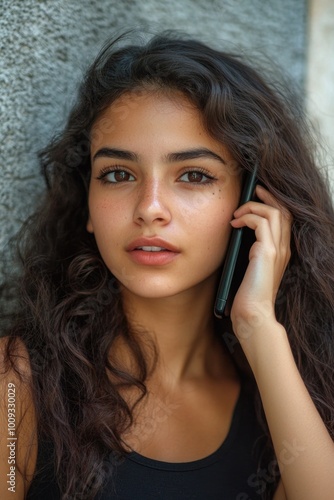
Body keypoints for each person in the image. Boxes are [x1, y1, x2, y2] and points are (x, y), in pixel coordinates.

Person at [1, 31, 334, 500]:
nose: (150, 207)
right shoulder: (16, 381)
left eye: (194, 175)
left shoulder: (280, 399)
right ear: (88, 206)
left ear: (255, 204)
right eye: (118, 174)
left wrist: (259, 327)